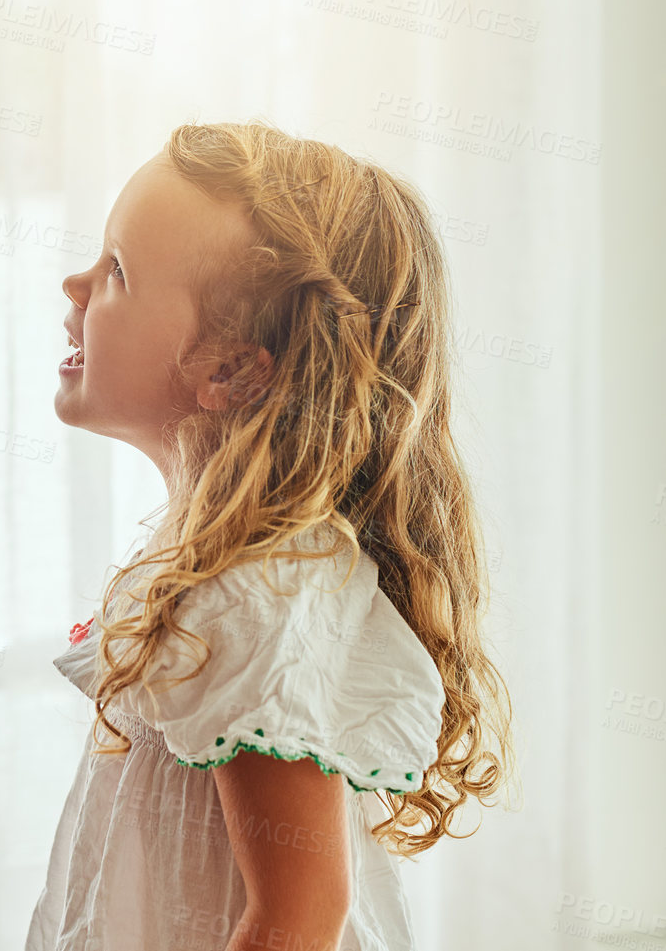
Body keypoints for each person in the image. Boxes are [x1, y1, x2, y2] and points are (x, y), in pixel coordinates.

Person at [26, 122, 513, 950]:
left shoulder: (255, 589)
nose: (73, 283)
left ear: (231, 370)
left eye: (116, 271)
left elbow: (297, 916)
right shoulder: (219, 566)